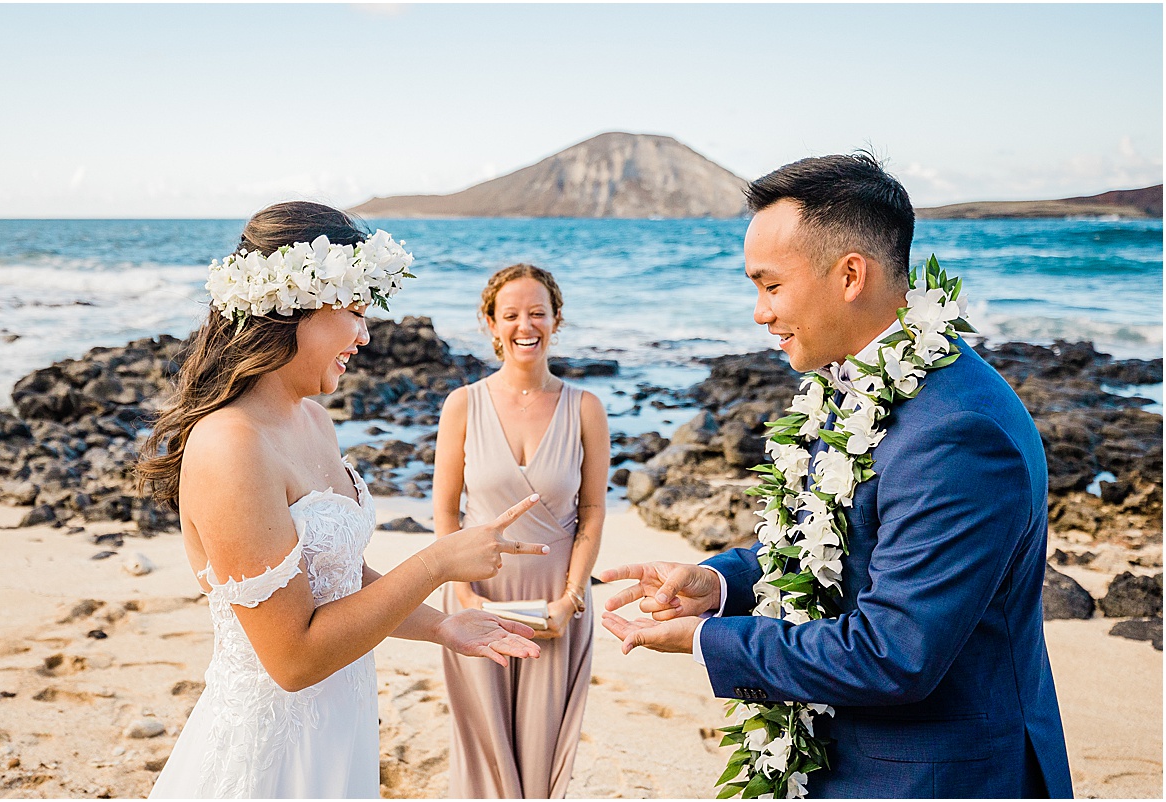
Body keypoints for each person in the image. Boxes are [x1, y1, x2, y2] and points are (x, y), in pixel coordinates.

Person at [600, 155, 1073, 798]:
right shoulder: (846, 384)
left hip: (934, 777)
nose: (760, 314)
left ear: (851, 275)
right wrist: (717, 585)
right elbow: (840, 547)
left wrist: (709, 641)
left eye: (770, 286)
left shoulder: (958, 431)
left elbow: (894, 653)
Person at [136, 202, 548, 799]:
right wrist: (435, 564)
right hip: (271, 750)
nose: (365, 334)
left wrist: (444, 627)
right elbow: (294, 658)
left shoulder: (314, 420)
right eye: (355, 310)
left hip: (339, 724)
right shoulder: (230, 446)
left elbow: (335, 579)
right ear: (294, 305)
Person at [432, 263, 610, 797]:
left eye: (537, 312)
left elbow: (594, 511)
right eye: (511, 314)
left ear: (557, 320)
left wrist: (573, 596)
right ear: (491, 323)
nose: (524, 325)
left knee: (541, 750)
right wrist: (461, 592)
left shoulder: (586, 408)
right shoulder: (462, 405)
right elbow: (445, 512)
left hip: (556, 598)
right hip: (476, 596)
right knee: (483, 744)